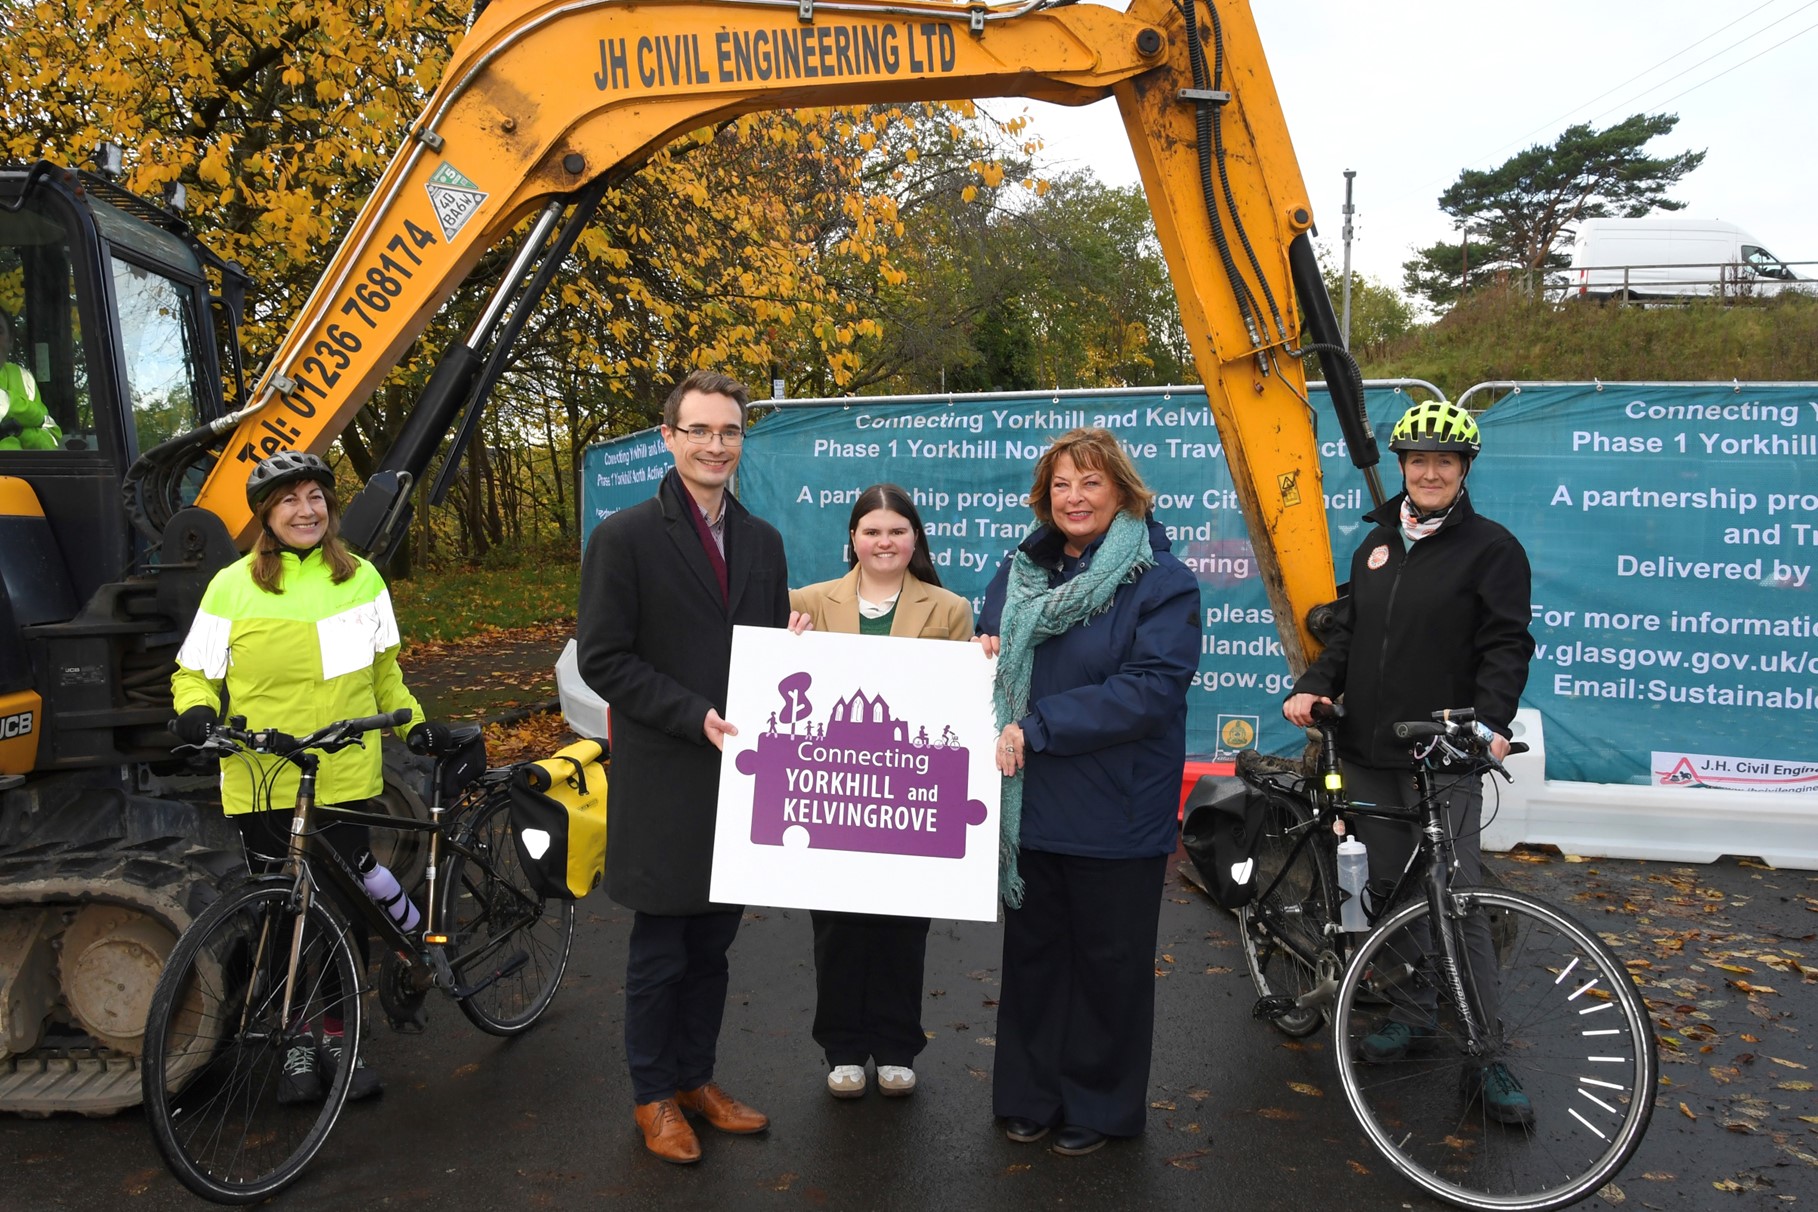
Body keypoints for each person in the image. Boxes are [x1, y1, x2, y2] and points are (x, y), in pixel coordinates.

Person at [1283, 398, 1535, 1125]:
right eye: (1418, 461)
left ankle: (1489, 1053)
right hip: (1367, 750)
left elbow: (1506, 644)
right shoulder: (1376, 546)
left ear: (1463, 472)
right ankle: (1414, 1012)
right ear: (1401, 467)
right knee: (1387, 892)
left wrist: (1490, 721)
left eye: (1444, 462)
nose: (1429, 472)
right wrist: (1314, 686)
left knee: (1458, 902)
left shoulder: (1492, 549)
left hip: (1443, 755)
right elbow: (1348, 634)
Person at [170, 450, 431, 1104]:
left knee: (341, 915)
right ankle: (295, 1046)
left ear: (330, 508)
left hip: (341, 773)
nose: (305, 509)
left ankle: (340, 1038)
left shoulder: (363, 579)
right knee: (282, 919)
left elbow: (385, 676)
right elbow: (194, 674)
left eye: (316, 497)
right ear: (267, 514)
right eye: (289, 499)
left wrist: (414, 725)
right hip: (262, 777)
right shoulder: (232, 586)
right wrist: (196, 713)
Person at [576, 368, 789, 1165]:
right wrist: (688, 713)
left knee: (713, 950)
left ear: (742, 440)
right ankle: (652, 1096)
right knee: (661, 951)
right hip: (667, 773)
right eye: (698, 430)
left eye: (728, 431)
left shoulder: (763, 542)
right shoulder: (625, 536)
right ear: (668, 438)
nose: (714, 444)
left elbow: (763, 654)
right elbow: (604, 657)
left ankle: (697, 1080)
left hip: (739, 782)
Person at [976, 427, 1199, 1157]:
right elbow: (988, 646)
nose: (1074, 497)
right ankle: (1029, 1095)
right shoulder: (1018, 574)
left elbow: (1150, 691)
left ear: (1123, 491)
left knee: (1109, 965)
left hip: (1117, 807)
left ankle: (1099, 1106)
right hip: (1031, 804)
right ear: (1045, 498)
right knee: (1035, 958)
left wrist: (1040, 725)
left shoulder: (1162, 580)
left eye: (1091, 482)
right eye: (1061, 485)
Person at [786, 483, 974, 1101]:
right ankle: (841, 1048)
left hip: (909, 799)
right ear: (853, 539)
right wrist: (781, 635)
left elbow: (957, 703)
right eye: (872, 531)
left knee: (900, 927)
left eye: (896, 531)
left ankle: (896, 1046)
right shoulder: (806, 602)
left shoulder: (949, 610)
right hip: (835, 794)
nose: (884, 541)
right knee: (837, 928)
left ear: (914, 538)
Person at [0, 323, 61, 450]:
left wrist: (20, 432)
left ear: (10, 341)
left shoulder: (22, 376)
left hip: (22, 469)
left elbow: (52, 444)